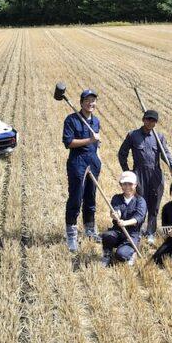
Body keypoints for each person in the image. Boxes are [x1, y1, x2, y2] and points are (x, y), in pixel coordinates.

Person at [118, 109, 172, 244]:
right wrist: (128, 172)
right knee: (140, 203)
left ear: (156, 123)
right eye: (148, 119)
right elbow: (122, 153)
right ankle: (136, 230)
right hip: (139, 174)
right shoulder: (133, 135)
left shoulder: (159, 137)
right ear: (143, 119)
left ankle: (150, 231)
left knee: (154, 205)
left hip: (156, 175)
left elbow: (166, 154)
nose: (150, 122)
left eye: (153, 120)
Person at [62, 89, 102, 252]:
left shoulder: (96, 121)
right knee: (76, 198)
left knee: (91, 197)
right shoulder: (72, 120)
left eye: (93, 100)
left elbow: (97, 143)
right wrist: (89, 140)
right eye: (87, 100)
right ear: (81, 102)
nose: (91, 103)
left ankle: (90, 229)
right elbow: (68, 142)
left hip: (93, 160)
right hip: (77, 162)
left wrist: (99, 158)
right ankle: (71, 234)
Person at [101, 170, 147, 267]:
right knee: (107, 236)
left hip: (132, 234)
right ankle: (107, 254)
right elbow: (116, 210)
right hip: (117, 231)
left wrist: (125, 223)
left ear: (135, 185)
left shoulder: (140, 201)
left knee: (121, 255)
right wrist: (115, 215)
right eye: (124, 184)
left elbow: (138, 218)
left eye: (130, 184)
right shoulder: (116, 198)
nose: (127, 187)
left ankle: (132, 252)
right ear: (121, 185)